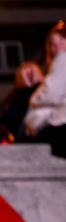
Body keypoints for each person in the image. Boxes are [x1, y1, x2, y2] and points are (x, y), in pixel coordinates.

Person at [25, 21, 66, 157]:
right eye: (52, 43)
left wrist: (34, 98)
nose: (56, 44)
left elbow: (51, 92)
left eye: (62, 37)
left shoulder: (64, 58)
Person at [0, 61, 44, 142]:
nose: (30, 77)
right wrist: (26, 89)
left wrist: (38, 84)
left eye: (32, 73)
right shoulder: (18, 99)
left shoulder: (50, 92)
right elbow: (9, 119)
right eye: (26, 75)